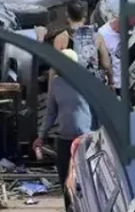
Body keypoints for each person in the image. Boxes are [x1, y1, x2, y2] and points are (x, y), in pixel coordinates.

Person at [33, 50, 92, 211]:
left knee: (85, 180)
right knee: (65, 180)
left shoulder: (86, 82)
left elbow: (99, 109)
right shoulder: (56, 84)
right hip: (64, 139)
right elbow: (51, 112)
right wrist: (41, 136)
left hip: (84, 139)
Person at [52, 3, 113, 87]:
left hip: (73, 87)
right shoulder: (97, 36)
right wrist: (112, 82)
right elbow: (106, 65)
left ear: (67, 14)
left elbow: (56, 69)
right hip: (93, 85)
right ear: (84, 15)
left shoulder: (60, 39)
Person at [97, 15, 135, 98]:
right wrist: (111, 83)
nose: (130, 30)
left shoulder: (127, 33)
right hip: (114, 85)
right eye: (129, 28)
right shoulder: (103, 35)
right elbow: (104, 64)